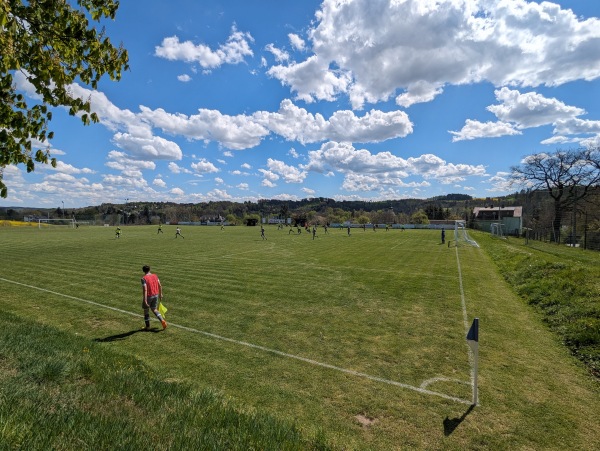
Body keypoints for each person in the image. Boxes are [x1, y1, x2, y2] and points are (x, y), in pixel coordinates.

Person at [141, 265, 167, 330]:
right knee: (154, 309)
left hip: (149, 296)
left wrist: (145, 300)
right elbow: (160, 285)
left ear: (143, 271)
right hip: (156, 294)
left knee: (146, 311)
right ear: (149, 269)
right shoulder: (155, 276)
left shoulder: (143, 278)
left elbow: (145, 289)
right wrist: (161, 294)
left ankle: (148, 327)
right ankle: (162, 321)